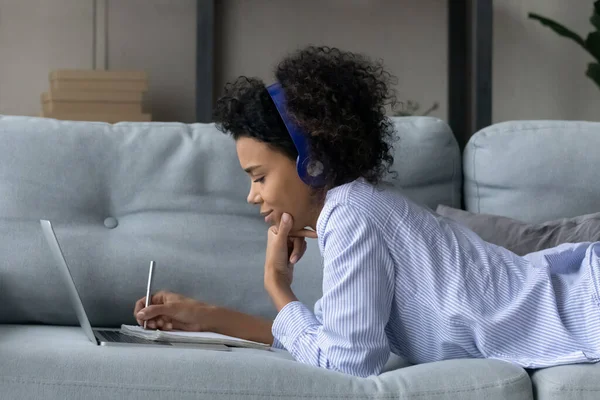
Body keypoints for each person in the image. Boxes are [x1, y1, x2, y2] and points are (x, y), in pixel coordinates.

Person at [134, 46, 600, 378]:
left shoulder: (352, 216)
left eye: (258, 177)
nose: (252, 196)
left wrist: (277, 286)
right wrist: (208, 317)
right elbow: (331, 343)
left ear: (309, 160)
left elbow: (348, 364)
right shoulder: (353, 209)